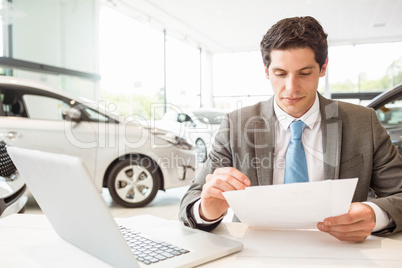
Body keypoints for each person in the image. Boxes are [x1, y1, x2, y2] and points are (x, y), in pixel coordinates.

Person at [179, 16, 402, 242]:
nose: (291, 88)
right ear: (266, 71)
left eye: (304, 73)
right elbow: (191, 201)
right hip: (255, 253)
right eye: (280, 74)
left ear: (323, 67)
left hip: (339, 251)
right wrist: (207, 210)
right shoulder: (236, 125)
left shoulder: (363, 122)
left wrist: (374, 215)